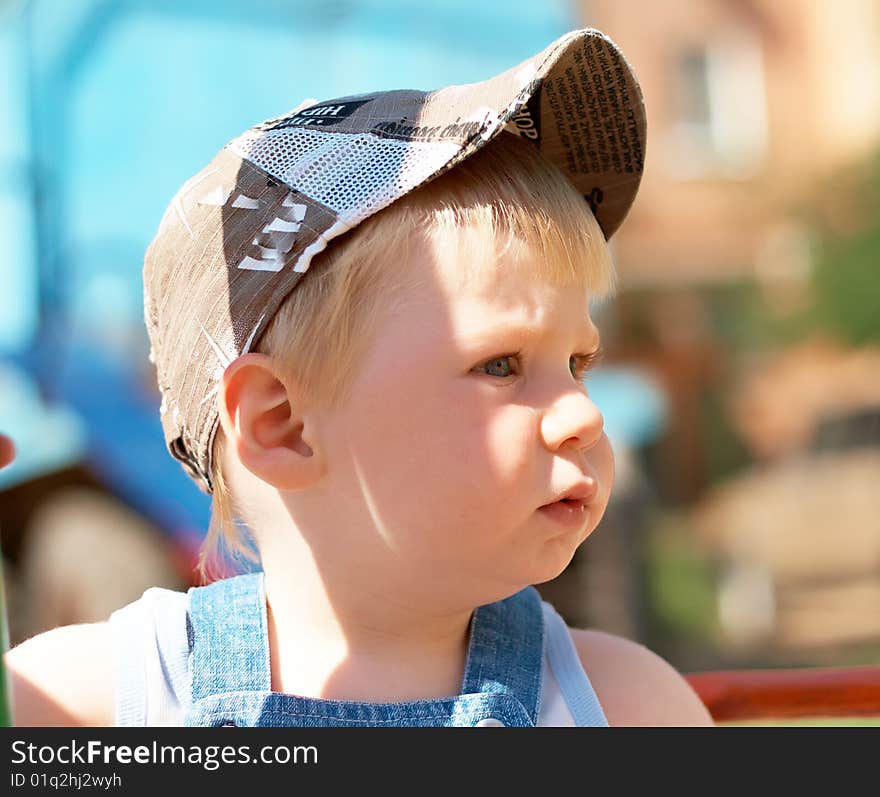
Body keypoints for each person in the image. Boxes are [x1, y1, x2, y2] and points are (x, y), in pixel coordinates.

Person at [4, 28, 713, 726]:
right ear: (281, 423)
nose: (584, 415)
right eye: (499, 363)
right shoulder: (100, 700)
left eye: (577, 364)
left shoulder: (627, 703)